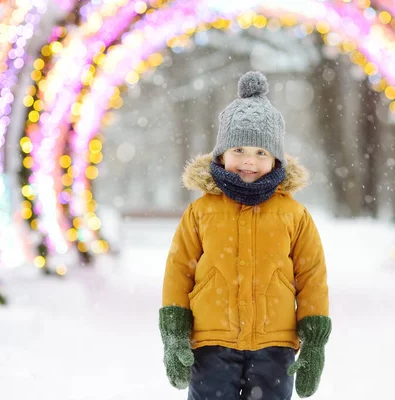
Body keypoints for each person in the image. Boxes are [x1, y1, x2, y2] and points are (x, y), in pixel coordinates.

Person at [159, 71, 331, 399]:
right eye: (238, 149)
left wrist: (314, 343)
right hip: (212, 344)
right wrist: (175, 335)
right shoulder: (201, 212)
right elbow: (179, 271)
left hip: (275, 347)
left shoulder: (293, 214)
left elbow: (312, 277)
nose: (249, 161)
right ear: (221, 154)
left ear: (275, 158)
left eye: (261, 152)